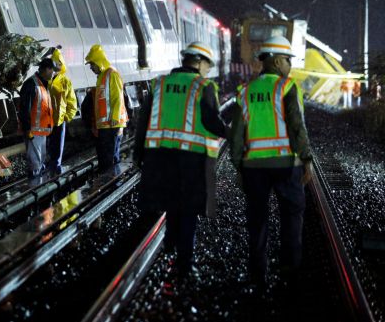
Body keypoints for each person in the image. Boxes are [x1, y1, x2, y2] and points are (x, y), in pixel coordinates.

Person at [133, 41, 228, 277]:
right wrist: (233, 131)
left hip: (159, 158)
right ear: (198, 61)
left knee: (171, 205)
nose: (208, 69)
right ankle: (184, 263)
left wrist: (138, 154)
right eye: (207, 64)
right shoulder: (203, 86)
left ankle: (169, 248)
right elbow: (211, 122)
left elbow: (143, 122)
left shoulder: (160, 84)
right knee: (188, 210)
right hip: (191, 160)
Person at [230, 35, 314, 290]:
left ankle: (258, 275)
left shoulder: (245, 91)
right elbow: (297, 128)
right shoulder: (287, 88)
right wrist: (307, 158)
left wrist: (238, 166)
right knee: (292, 216)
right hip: (287, 165)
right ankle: (289, 272)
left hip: (254, 168)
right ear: (277, 61)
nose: (290, 65)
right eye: (288, 60)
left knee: (257, 220)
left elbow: (236, 134)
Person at [84, 44, 128, 171]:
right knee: (106, 159)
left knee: (110, 159)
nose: (91, 68)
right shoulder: (102, 77)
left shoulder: (111, 74)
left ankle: (113, 183)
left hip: (112, 124)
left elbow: (117, 96)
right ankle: (110, 182)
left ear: (99, 62)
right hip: (105, 126)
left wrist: (114, 116)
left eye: (92, 64)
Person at [18, 58, 58, 176]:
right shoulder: (31, 84)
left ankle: (39, 186)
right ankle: (34, 187)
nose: (53, 73)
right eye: (52, 70)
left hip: (41, 133)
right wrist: (27, 129)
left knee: (39, 162)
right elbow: (24, 108)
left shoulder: (42, 85)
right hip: (33, 133)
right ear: (46, 69)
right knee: (35, 163)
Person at [47, 48, 77, 175]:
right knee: (49, 145)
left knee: (57, 146)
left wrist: (67, 117)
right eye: (55, 64)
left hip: (59, 120)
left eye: (59, 64)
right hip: (47, 120)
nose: (57, 66)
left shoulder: (65, 81)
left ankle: (56, 167)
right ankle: (50, 166)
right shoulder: (46, 80)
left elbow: (71, 101)